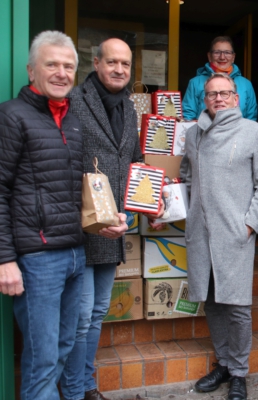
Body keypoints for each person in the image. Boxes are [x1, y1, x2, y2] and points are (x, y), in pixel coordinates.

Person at [60, 38, 160, 400]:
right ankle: (78, 387)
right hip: (80, 224)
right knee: (83, 314)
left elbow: (133, 160)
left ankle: (83, 383)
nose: (119, 69)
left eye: (126, 64)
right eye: (112, 62)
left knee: (99, 310)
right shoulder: (74, 101)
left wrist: (150, 200)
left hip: (113, 224)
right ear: (97, 63)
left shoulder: (128, 109)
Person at [0, 30, 86, 400]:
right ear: (31, 70)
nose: (61, 73)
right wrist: (4, 259)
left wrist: (108, 219)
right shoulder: (12, 115)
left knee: (64, 349)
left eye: (68, 66)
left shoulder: (73, 118)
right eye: (51, 64)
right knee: (42, 361)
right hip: (37, 259)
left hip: (75, 253)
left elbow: (80, 186)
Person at [181, 73, 258, 400]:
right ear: (203, 100)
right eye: (211, 94)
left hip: (235, 233)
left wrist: (250, 224)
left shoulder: (253, 132)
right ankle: (222, 363)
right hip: (200, 232)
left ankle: (239, 372)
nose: (218, 99)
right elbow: (186, 178)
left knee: (236, 306)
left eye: (225, 93)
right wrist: (169, 207)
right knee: (211, 301)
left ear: (236, 98)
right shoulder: (193, 134)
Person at [182, 36, 257, 121]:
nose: (222, 57)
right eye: (217, 52)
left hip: (238, 133)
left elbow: (251, 118)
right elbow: (188, 118)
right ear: (209, 56)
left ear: (233, 57)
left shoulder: (246, 84)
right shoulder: (195, 83)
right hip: (205, 133)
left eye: (227, 53)